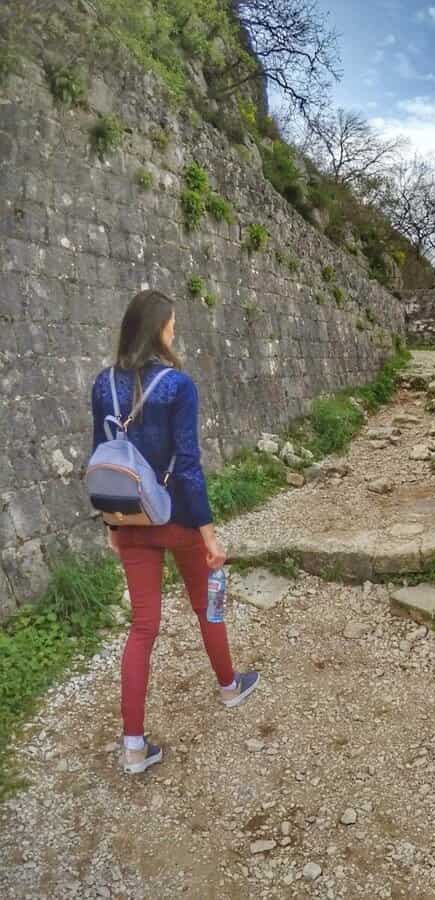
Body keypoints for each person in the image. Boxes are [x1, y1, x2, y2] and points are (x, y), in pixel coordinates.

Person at [91, 290, 260, 775]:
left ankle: (133, 748)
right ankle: (229, 687)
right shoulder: (177, 385)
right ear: (158, 331)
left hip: (126, 518)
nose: (175, 333)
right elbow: (187, 466)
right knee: (207, 602)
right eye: (171, 326)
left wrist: (110, 523)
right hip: (177, 519)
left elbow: (100, 454)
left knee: (142, 628)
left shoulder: (103, 383)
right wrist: (208, 534)